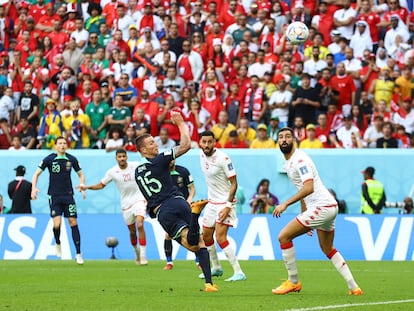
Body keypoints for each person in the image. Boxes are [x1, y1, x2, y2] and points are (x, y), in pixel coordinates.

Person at [272, 127, 362, 295]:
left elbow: (308, 188)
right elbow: (304, 191)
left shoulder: (300, 160)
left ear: (294, 140)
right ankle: (354, 287)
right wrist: (304, 214)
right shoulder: (289, 161)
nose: (284, 139)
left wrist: (284, 204)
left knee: (283, 236)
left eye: (287, 137)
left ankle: (293, 282)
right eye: (281, 137)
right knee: (327, 248)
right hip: (328, 207)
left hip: (322, 207)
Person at [134, 111, 217, 292]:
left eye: (154, 142)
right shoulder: (159, 161)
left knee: (193, 245)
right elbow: (186, 145)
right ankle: (209, 283)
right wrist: (180, 122)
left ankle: (195, 214)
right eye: (150, 144)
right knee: (199, 243)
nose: (155, 145)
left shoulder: (138, 171)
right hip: (178, 201)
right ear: (142, 150)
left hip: (164, 210)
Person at [78, 149, 148, 265]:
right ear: (116, 158)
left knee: (140, 224)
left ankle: (143, 255)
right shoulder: (112, 172)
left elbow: (148, 166)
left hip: (139, 199)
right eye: (119, 157)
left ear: (126, 157)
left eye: (123, 156)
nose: (122, 159)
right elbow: (101, 185)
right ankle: (136, 252)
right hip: (126, 204)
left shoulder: (135, 165)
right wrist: (87, 187)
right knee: (132, 231)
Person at [198, 130, 246, 282]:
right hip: (212, 202)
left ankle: (239, 272)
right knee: (205, 236)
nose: (206, 145)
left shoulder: (223, 159)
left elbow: (234, 184)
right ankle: (217, 268)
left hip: (225, 202)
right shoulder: (201, 155)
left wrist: (227, 205)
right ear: (200, 142)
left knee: (220, 237)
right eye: (204, 142)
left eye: (209, 142)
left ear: (214, 142)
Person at [31, 137, 86, 265]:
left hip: (68, 196)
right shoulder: (49, 159)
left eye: (64, 143)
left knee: (73, 222)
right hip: (54, 196)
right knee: (57, 224)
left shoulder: (71, 159)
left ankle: (78, 253)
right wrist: (33, 189)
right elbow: (36, 174)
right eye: (60, 143)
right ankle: (58, 242)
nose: (62, 145)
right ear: (55, 146)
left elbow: (81, 174)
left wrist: (82, 185)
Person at [163, 160, 196, 270]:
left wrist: (189, 199)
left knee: (193, 231)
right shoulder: (162, 173)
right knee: (168, 234)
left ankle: (198, 261)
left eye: (172, 159)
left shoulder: (183, 171)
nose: (170, 161)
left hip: (185, 206)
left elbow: (192, 189)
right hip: (170, 208)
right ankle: (169, 262)